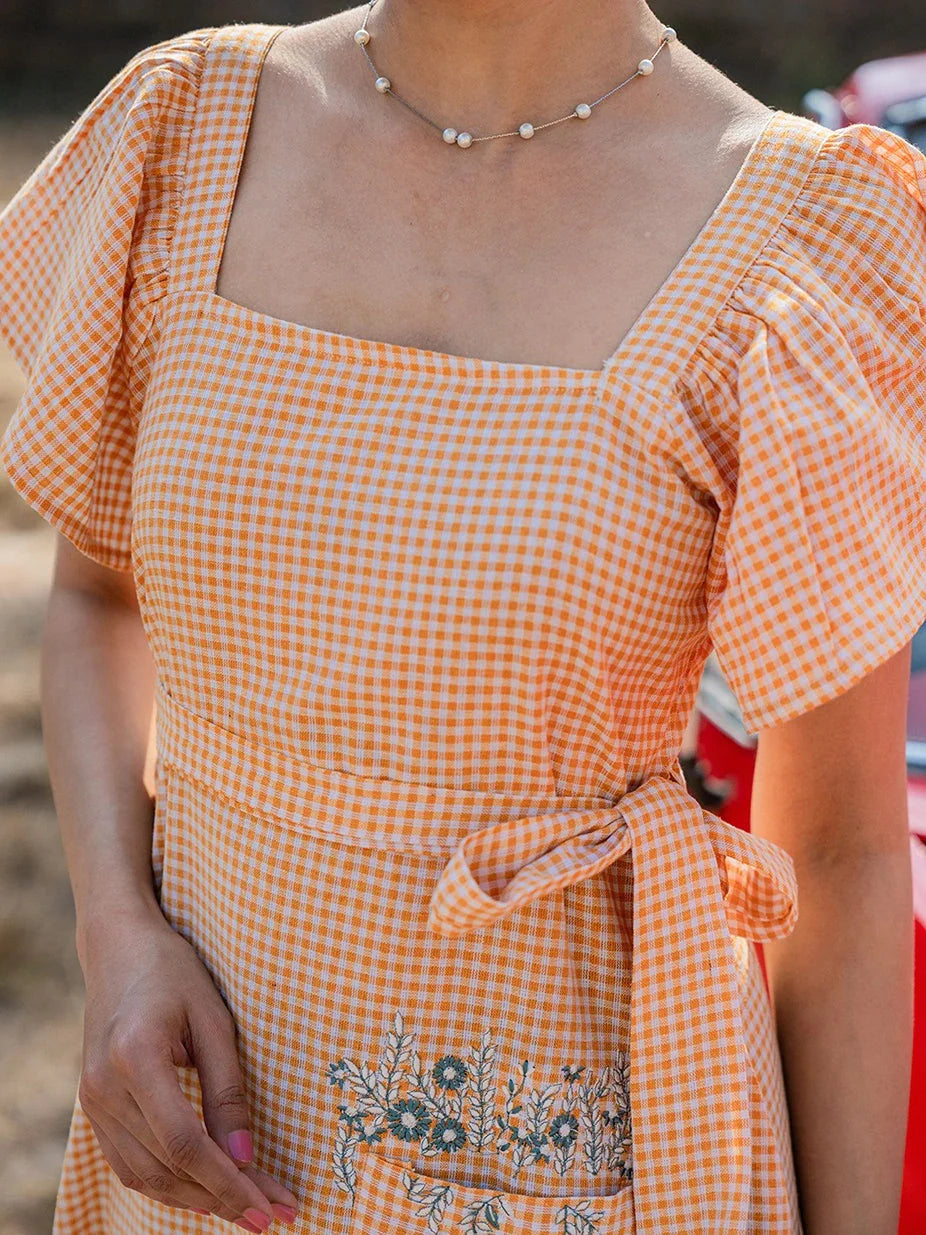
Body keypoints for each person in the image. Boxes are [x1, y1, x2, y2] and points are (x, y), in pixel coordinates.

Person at [1, 2, 924, 1231]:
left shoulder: (802, 232)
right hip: (193, 1148)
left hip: (600, 1153)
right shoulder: (186, 122)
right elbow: (97, 592)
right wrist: (116, 932)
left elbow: (843, 850)